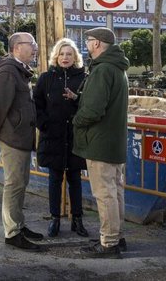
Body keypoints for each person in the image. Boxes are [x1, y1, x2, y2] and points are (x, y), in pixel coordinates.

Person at [73, 27, 129, 259]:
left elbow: (94, 109)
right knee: (115, 192)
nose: (86, 44)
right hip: (114, 141)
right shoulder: (117, 68)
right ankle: (117, 236)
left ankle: (109, 243)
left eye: (88, 41)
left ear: (96, 44)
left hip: (99, 141)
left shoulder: (102, 70)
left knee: (104, 194)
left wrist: (76, 119)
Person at [0, 32, 43, 251]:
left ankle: (18, 224)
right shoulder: (9, 72)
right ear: (17, 47)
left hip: (20, 138)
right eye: (32, 44)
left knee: (20, 183)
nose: (35, 48)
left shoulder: (19, 70)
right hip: (13, 139)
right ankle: (12, 233)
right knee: (14, 184)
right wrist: (0, 133)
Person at [33, 38, 89, 238]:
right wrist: (44, 124)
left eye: (69, 54)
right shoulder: (46, 78)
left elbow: (89, 103)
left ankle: (77, 219)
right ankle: (55, 218)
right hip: (53, 135)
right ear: (56, 56)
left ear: (75, 57)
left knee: (75, 178)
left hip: (75, 136)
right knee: (54, 178)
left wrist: (77, 98)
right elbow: (36, 104)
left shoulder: (84, 77)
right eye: (62, 53)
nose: (65, 57)